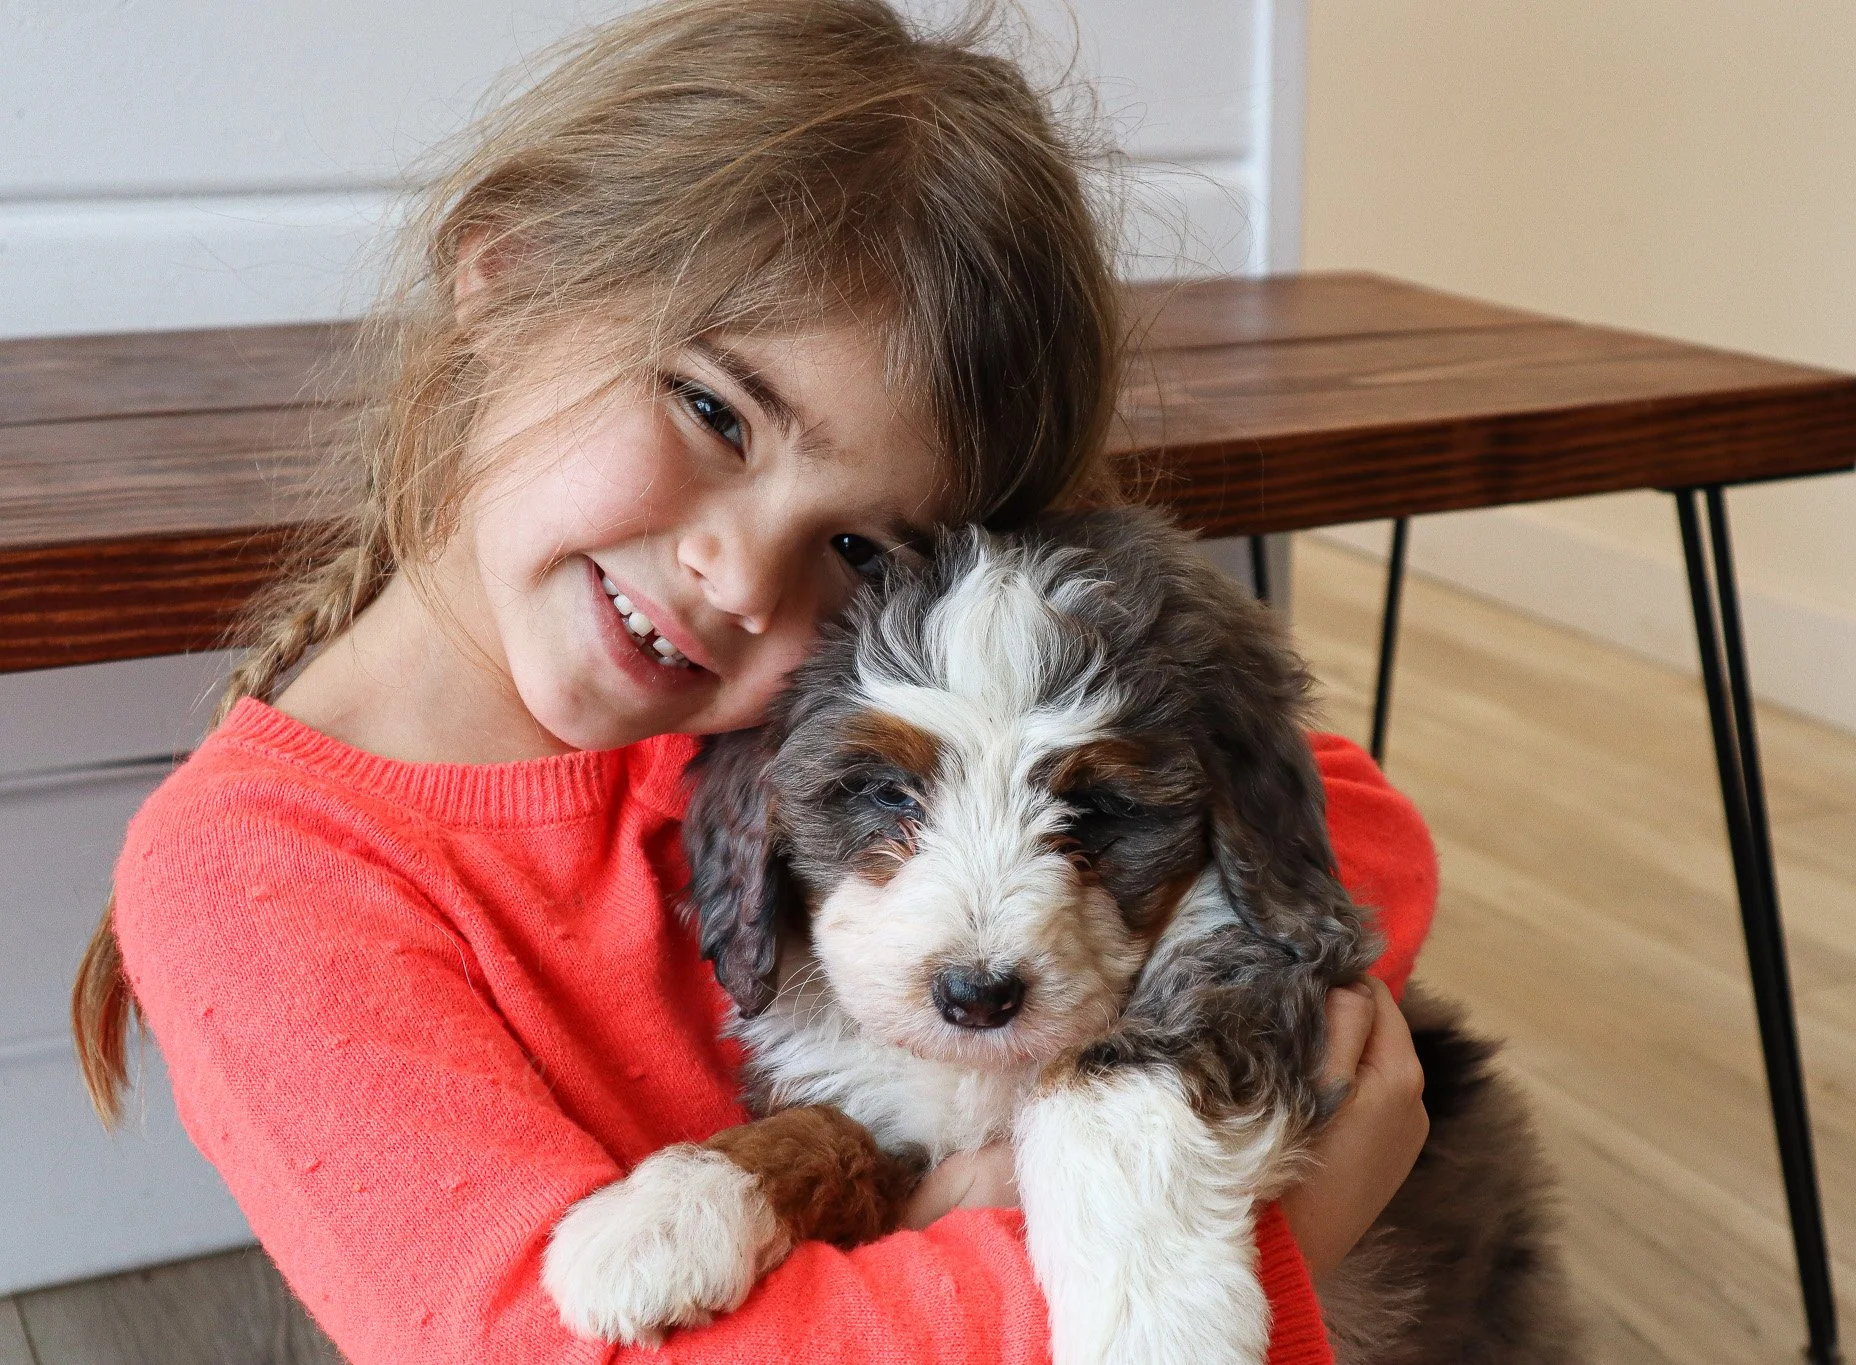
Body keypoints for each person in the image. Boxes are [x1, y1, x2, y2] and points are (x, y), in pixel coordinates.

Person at [72, 2, 1436, 1361]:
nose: (735, 578)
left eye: (861, 547)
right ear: (506, 275)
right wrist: (1236, 1239)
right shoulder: (255, 881)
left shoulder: (826, 685)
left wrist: (1128, 1120)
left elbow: (1347, 832)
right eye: (713, 410)